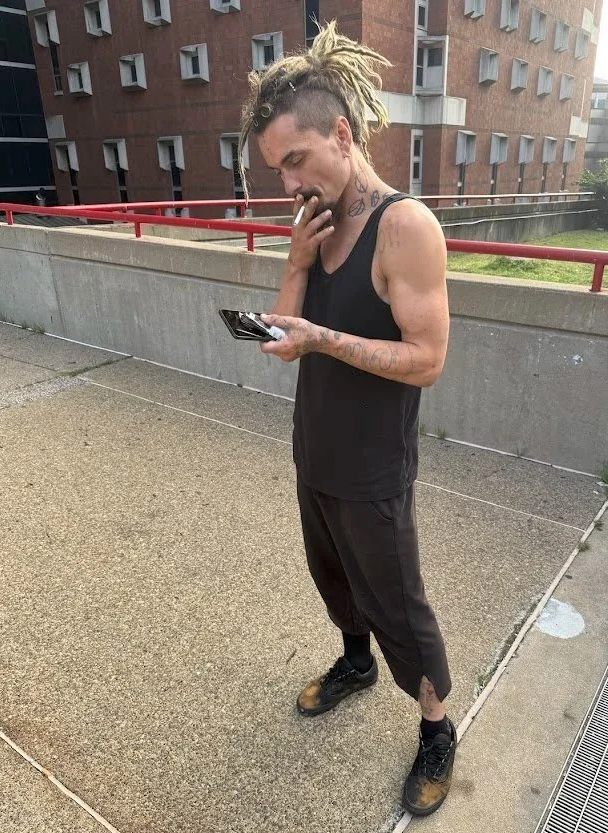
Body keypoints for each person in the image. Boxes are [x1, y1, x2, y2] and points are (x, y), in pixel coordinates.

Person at [239, 22, 454, 817]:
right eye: (275, 169)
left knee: (398, 599)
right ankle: (353, 663)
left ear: (341, 132)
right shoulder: (314, 223)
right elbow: (285, 344)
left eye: (295, 160)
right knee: (333, 580)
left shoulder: (405, 226)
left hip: (371, 469)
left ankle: (435, 724)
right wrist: (293, 268)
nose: (287, 182)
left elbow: (428, 357)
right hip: (314, 453)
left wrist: (321, 334)